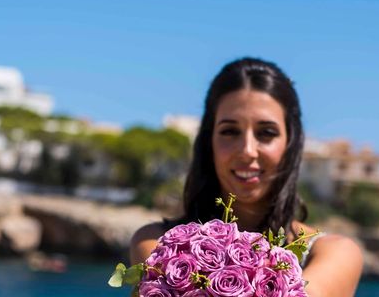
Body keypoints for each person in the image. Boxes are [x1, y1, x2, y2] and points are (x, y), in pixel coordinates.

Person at [130, 57, 363, 297]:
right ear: (209, 141)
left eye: (266, 133)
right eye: (230, 131)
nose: (247, 150)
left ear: (290, 144)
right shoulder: (158, 243)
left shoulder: (334, 253)